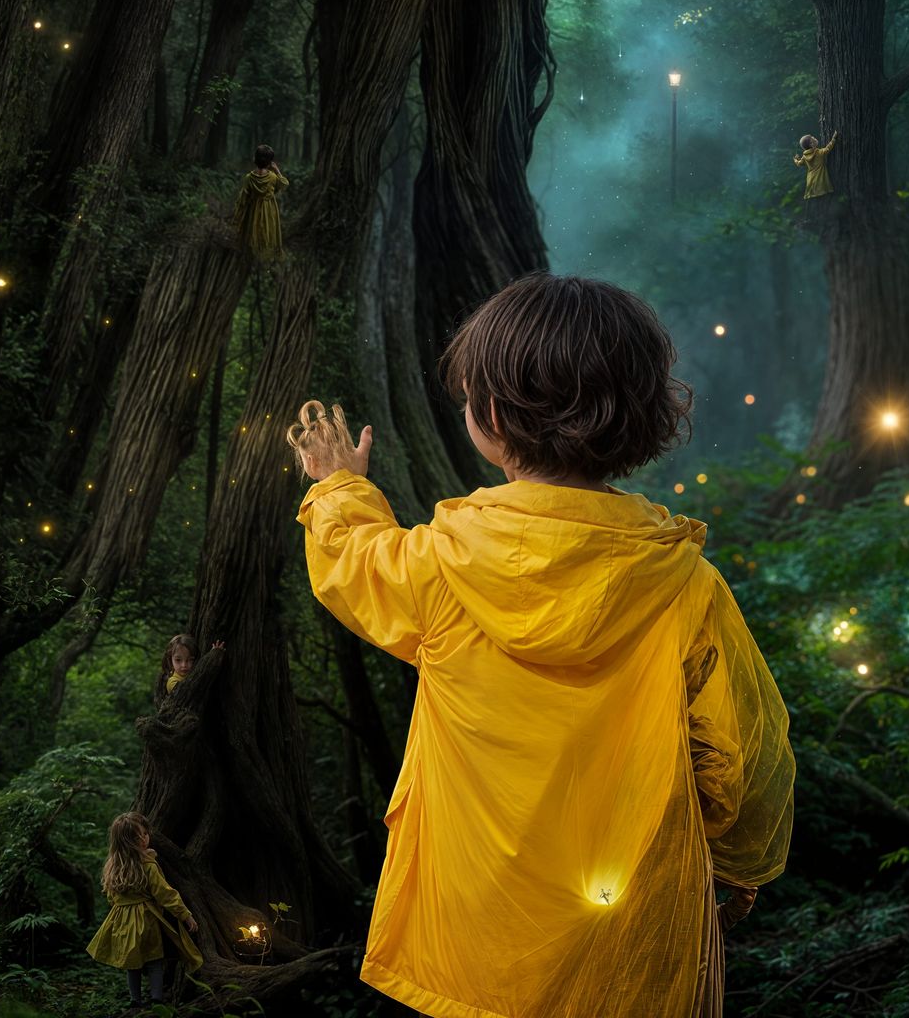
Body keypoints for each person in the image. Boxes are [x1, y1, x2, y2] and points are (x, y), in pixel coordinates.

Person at [289, 273, 794, 1018]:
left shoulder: (441, 567)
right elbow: (745, 757)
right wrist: (730, 868)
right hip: (634, 940)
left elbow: (356, 564)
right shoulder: (686, 585)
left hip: (475, 939)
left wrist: (337, 488)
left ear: (490, 415)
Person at [86, 813, 202, 1009]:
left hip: (121, 920)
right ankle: (156, 999)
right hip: (146, 919)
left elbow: (110, 896)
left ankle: (135, 1000)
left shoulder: (113, 866)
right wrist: (185, 914)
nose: (144, 839)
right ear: (126, 841)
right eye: (137, 836)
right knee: (155, 960)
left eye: (145, 834)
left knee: (133, 963)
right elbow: (164, 893)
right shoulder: (147, 866)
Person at [233, 145, 288, 261]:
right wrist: (277, 170)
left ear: (255, 159)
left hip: (253, 209)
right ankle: (264, 256)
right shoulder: (273, 177)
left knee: (253, 230)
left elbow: (242, 198)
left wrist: (239, 215)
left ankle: (252, 255)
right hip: (269, 209)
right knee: (268, 230)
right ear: (270, 162)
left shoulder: (249, 177)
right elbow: (284, 184)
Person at [160, 633, 224, 695]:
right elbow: (191, 691)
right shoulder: (172, 682)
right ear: (170, 660)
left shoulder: (194, 672)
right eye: (178, 660)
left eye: (190, 660)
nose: (184, 665)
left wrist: (214, 655)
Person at [794, 130, 838, 198]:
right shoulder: (818, 153)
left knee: (814, 194)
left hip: (811, 178)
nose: (814, 138)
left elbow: (799, 164)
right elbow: (827, 149)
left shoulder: (805, 156)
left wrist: (796, 160)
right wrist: (833, 139)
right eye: (813, 138)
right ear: (811, 144)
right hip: (820, 175)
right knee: (823, 192)